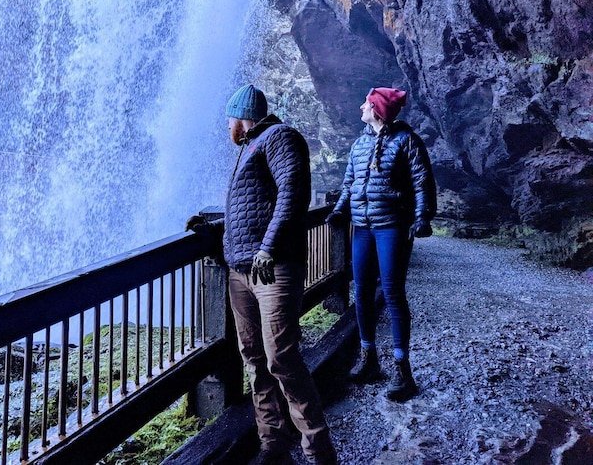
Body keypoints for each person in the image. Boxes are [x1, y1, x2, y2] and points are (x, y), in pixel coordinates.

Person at [186, 83, 337, 465]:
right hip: (241, 271)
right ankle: (273, 444)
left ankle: (319, 450)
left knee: (282, 358)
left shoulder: (279, 136)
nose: (228, 130)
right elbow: (252, 211)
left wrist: (268, 247)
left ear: (241, 118)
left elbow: (293, 192)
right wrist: (214, 230)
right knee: (254, 359)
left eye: (229, 121)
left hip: (272, 268)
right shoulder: (252, 148)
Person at [326, 87, 436, 402]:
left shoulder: (406, 141)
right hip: (362, 227)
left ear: (377, 110)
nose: (361, 105)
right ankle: (369, 358)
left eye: (367, 102)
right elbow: (349, 184)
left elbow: (422, 180)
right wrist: (339, 210)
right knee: (360, 292)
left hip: (392, 227)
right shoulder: (360, 145)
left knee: (392, 293)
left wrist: (422, 217)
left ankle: (403, 370)